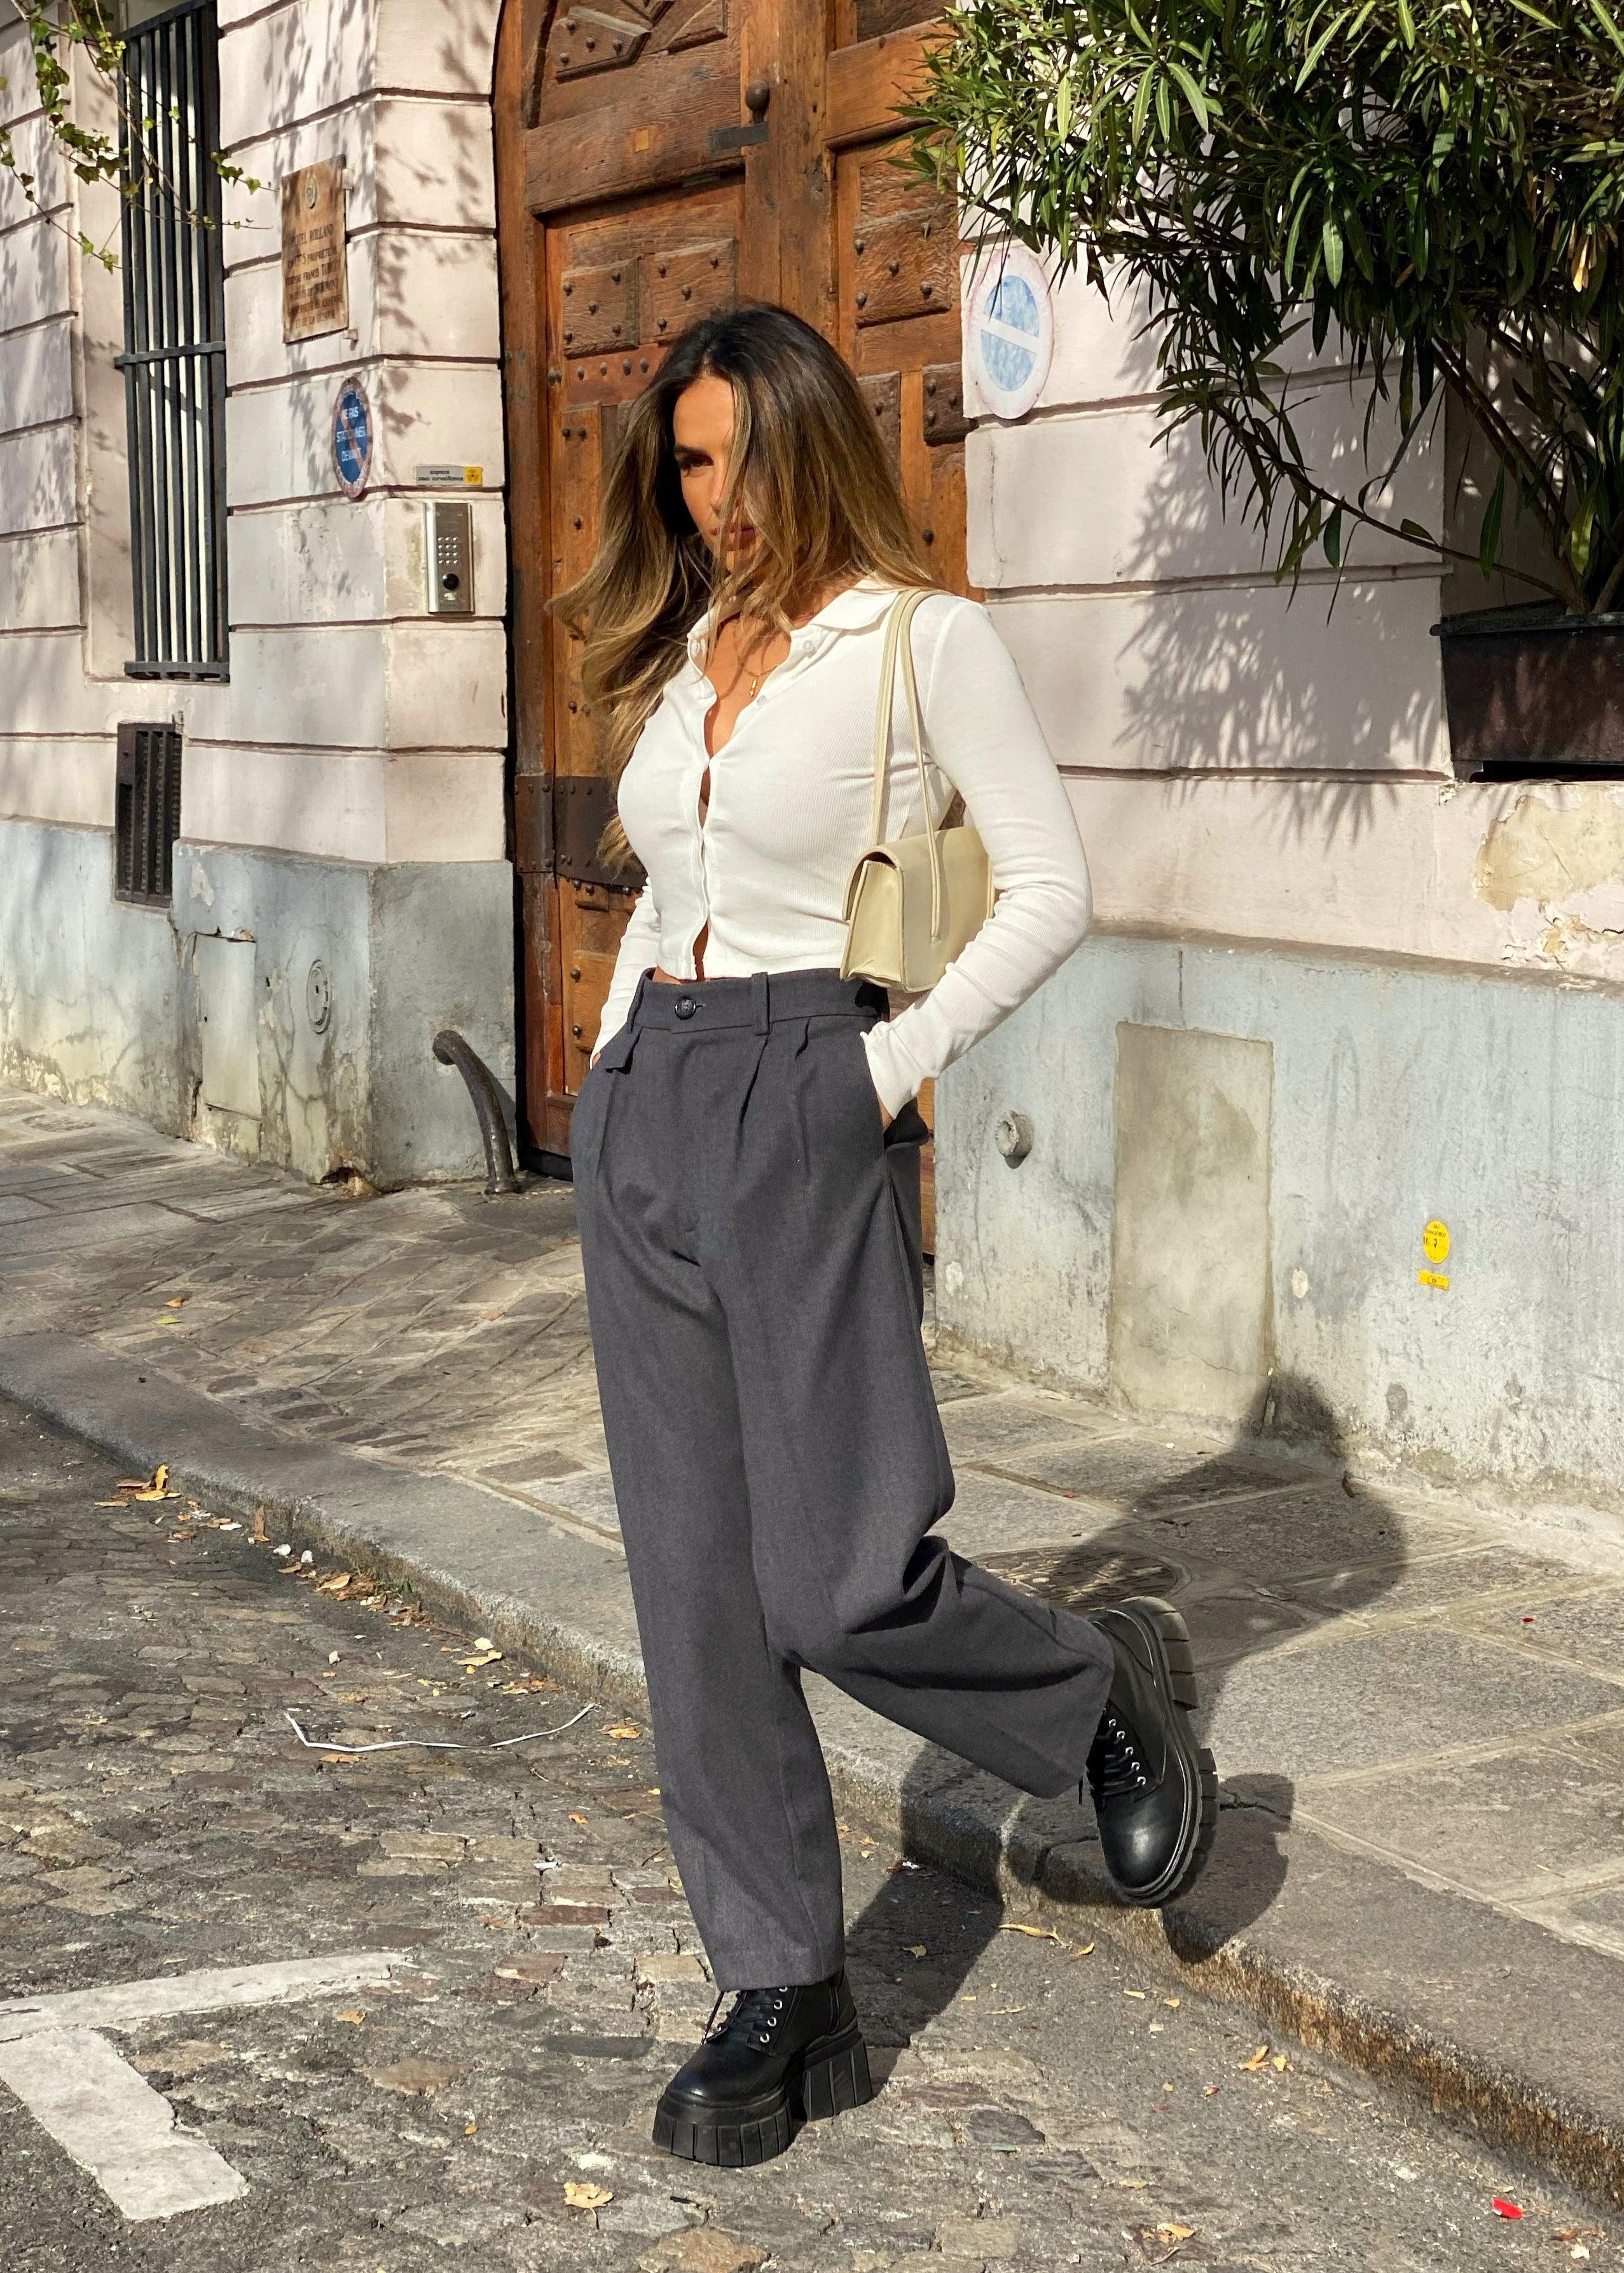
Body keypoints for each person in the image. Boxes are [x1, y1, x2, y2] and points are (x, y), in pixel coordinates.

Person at [561, 303, 1216, 2171]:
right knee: (696, 1596)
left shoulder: (924, 641)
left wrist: (874, 1074)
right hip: (652, 1104)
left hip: (805, 1088)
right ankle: (782, 1988)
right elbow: (669, 887)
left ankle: (1095, 1696)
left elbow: (1051, 890)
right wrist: (608, 1074)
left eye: (742, 457)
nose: (720, 498)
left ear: (811, 443)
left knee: (836, 1579)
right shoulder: (697, 648)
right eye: (691, 465)